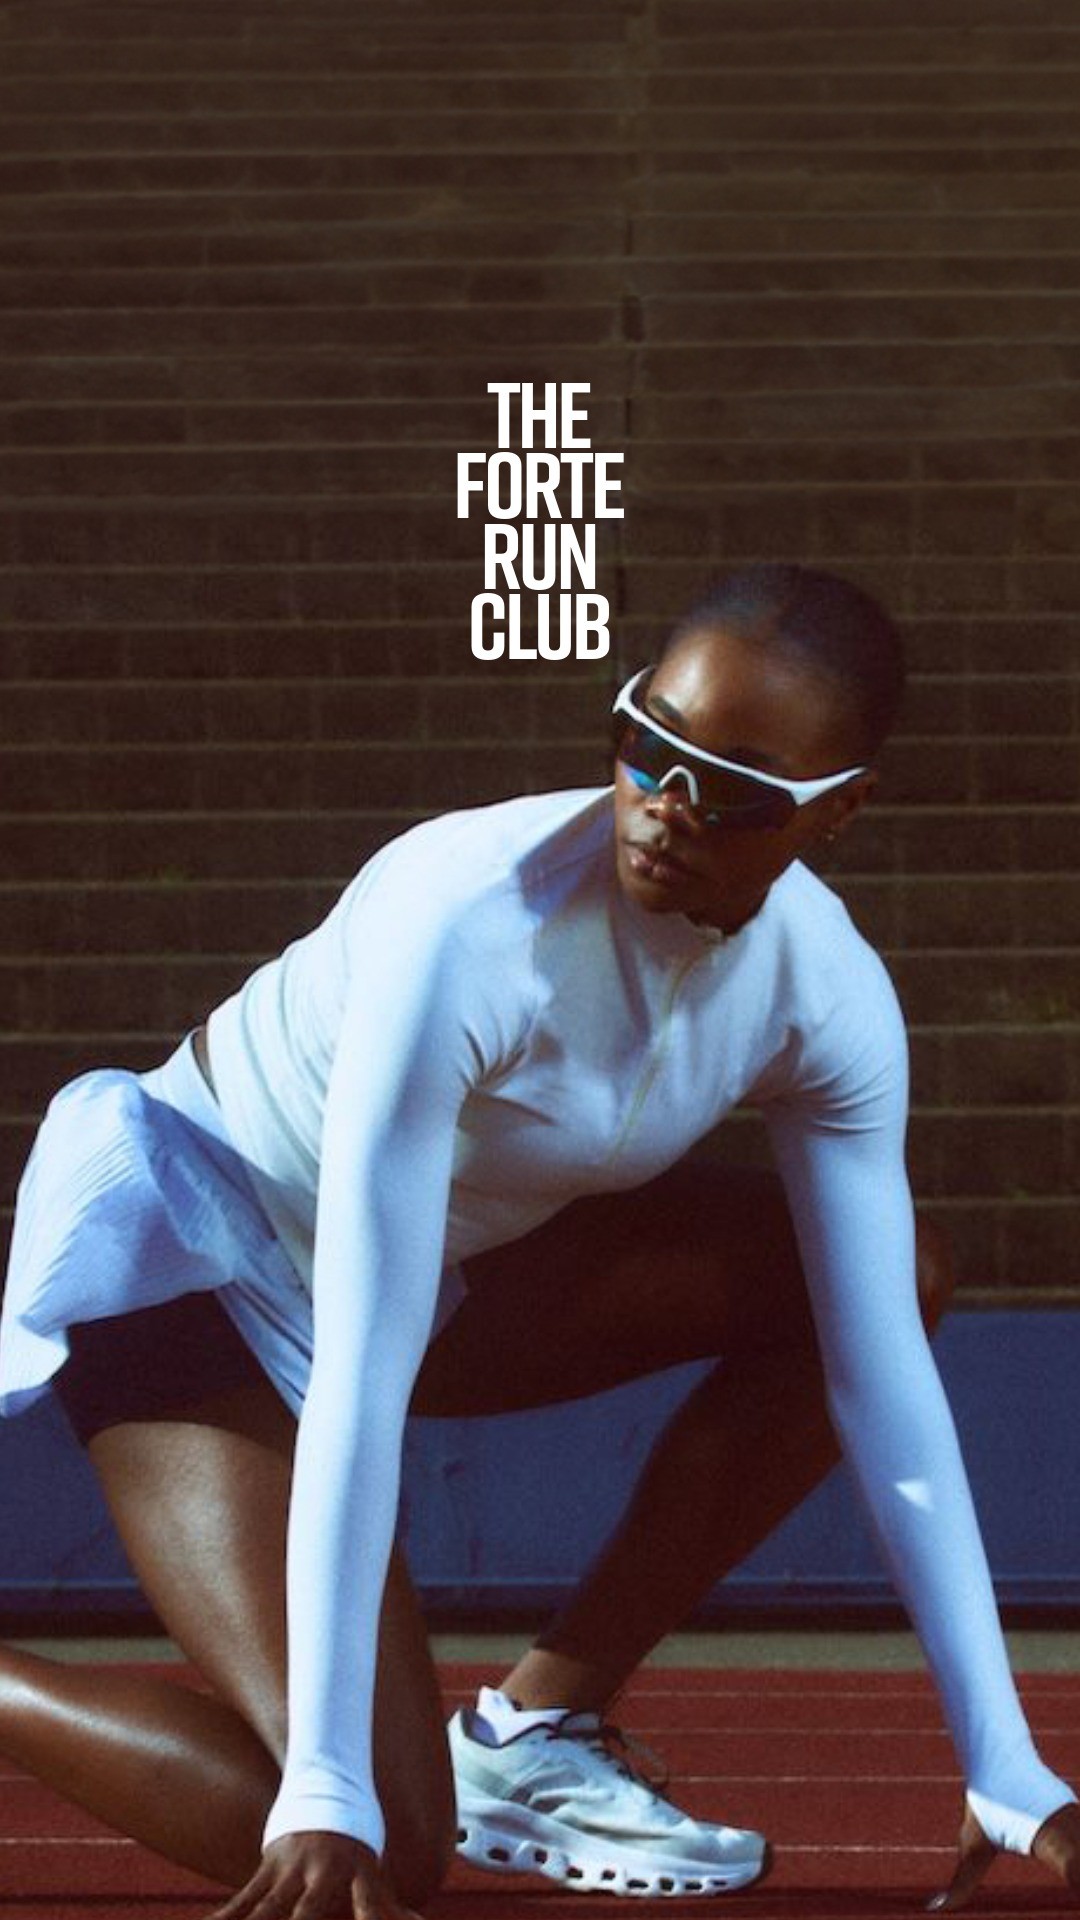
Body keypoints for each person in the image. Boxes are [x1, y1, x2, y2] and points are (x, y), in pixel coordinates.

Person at [0, 562, 1076, 1920]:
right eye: (647, 745)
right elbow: (362, 1374)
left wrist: (1003, 1758)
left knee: (891, 1279)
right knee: (380, 1845)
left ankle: (536, 1727)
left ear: (836, 811)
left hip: (443, 1275)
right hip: (200, 1266)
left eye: (734, 790)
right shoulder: (466, 923)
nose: (666, 806)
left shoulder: (828, 996)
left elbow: (883, 1382)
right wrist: (324, 1778)